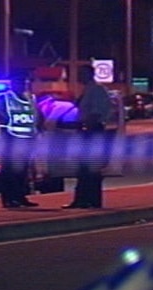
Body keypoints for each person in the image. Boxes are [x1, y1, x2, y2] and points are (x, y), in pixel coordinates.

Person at [62, 65, 112, 209]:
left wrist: (82, 125)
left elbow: (95, 113)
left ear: (89, 74)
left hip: (92, 132)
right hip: (89, 131)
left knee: (89, 167)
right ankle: (83, 199)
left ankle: (90, 200)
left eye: (81, 73)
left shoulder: (96, 90)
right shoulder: (89, 89)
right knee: (84, 167)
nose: (78, 77)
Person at [0, 73, 40, 208]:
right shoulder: (5, 98)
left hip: (27, 139)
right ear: (12, 84)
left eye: (24, 82)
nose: (23, 85)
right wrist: (2, 118)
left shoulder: (30, 98)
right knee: (10, 171)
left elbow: (37, 116)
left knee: (22, 171)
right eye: (20, 82)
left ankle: (21, 197)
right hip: (10, 138)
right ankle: (9, 199)